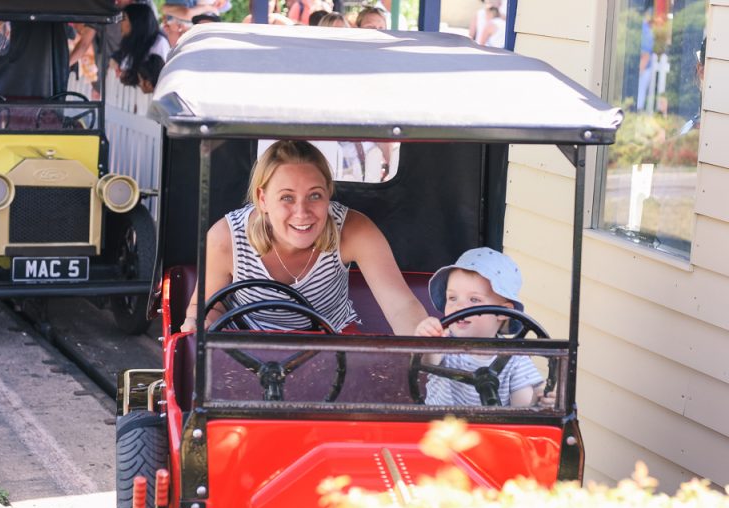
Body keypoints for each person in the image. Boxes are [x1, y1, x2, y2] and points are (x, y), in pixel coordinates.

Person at [180, 140, 427, 335]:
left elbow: (400, 305)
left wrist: (428, 352)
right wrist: (197, 324)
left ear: (328, 194)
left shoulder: (354, 230)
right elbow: (207, 308)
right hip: (248, 346)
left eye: (315, 196)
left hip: (331, 342)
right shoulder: (226, 238)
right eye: (287, 197)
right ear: (263, 199)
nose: (302, 212)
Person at [414, 247, 546, 406]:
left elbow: (522, 406)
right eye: (452, 298)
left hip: (490, 430)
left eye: (474, 300)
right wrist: (428, 340)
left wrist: (540, 399)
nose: (459, 307)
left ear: (503, 312)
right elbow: (427, 362)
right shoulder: (444, 343)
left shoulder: (514, 357)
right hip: (440, 427)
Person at [115, 3, 171, 87]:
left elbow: (154, 81)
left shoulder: (159, 44)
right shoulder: (135, 43)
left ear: (136, 23)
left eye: (124, 19)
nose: (120, 24)